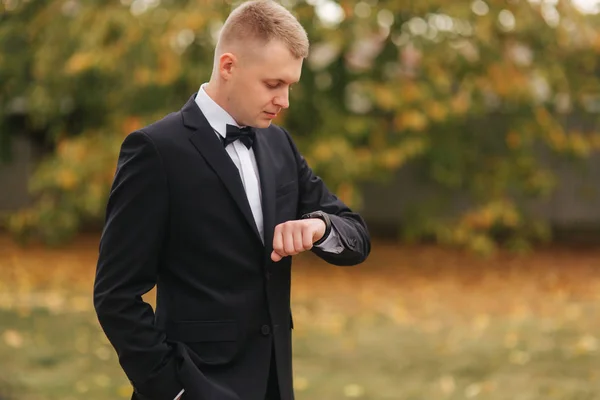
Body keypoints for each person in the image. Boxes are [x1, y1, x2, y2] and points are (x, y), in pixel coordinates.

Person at [92, 1, 371, 399]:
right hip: (193, 385)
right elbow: (115, 294)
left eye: (290, 86)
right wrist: (172, 389)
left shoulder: (280, 144)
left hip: (274, 386)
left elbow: (356, 234)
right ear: (228, 66)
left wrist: (320, 226)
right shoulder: (155, 150)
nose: (285, 100)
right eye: (273, 84)